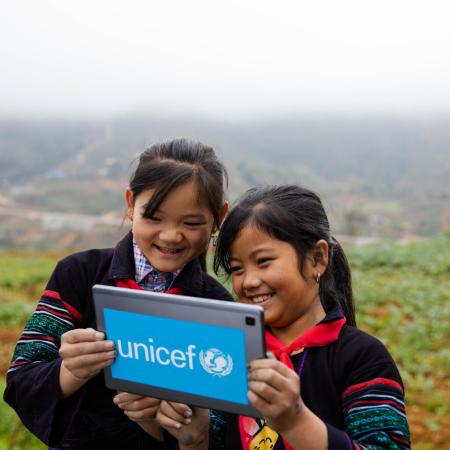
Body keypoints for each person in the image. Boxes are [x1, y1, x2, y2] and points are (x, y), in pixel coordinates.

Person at [3, 138, 231, 450]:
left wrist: (187, 424)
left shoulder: (217, 306)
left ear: (218, 217)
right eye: (153, 217)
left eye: (191, 223)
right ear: (129, 203)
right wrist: (69, 371)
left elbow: (226, 419)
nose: (170, 235)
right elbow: (23, 377)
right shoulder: (78, 274)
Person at [157, 185, 411, 450]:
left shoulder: (362, 357)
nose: (249, 282)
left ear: (317, 258)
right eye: (237, 269)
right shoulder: (229, 356)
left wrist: (294, 421)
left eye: (264, 261)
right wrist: (194, 436)